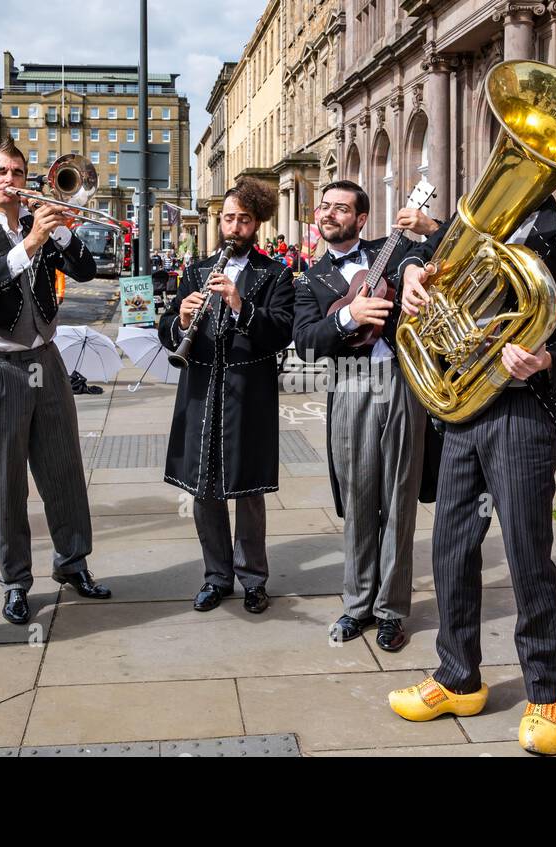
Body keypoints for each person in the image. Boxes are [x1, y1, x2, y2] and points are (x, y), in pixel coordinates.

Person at [387, 192, 556, 756]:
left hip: (524, 410)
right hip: (463, 404)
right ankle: (457, 676)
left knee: (526, 553)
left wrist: (547, 359)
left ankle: (546, 691)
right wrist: (415, 272)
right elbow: (413, 260)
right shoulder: (475, 219)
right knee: (450, 546)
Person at [0, 139, 111, 627]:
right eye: (1, 171)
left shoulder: (40, 223)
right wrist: (33, 241)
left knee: (63, 466)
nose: (10, 179)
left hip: (46, 358)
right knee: (6, 479)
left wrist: (57, 232)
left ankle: (72, 561)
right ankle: (16, 580)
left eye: (17, 172)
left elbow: (84, 269)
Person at [292, 181, 440, 652]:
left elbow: (443, 247)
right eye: (325, 206)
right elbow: (306, 343)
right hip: (350, 382)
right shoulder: (310, 279)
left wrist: (426, 230)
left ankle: (392, 610)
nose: (330, 213)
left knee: (399, 498)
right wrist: (348, 316)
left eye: (342, 208)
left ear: (360, 220)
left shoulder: (391, 251)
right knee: (358, 499)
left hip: (401, 379)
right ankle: (356, 604)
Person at [159, 177, 295, 614]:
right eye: (229, 219)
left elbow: (279, 332)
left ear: (257, 224)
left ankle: (253, 578)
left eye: (244, 220)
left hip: (246, 394)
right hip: (201, 390)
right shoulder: (196, 270)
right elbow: (167, 330)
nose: (234, 227)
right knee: (204, 489)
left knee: (248, 491)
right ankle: (216, 576)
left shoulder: (275, 274)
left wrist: (239, 304)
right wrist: (180, 320)